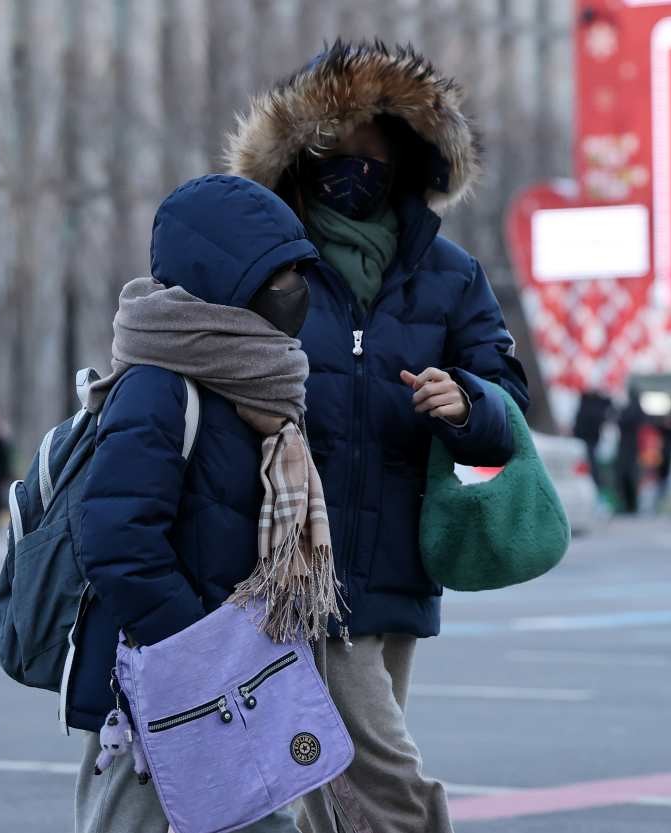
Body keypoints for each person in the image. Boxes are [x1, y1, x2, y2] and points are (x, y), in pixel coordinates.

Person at [226, 40, 529, 832]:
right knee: (379, 774)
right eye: (335, 150)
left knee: (336, 778)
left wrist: (465, 402)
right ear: (302, 158)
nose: (354, 167)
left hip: (399, 565)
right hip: (293, 563)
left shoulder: (450, 274)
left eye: (374, 151)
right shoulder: (267, 266)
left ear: (406, 159)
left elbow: (507, 398)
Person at [73, 175, 333, 833]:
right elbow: (113, 534)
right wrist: (196, 651)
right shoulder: (158, 385)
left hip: (237, 681)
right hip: (160, 685)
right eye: (282, 274)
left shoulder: (261, 388)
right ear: (231, 278)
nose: (296, 291)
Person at [574, 389, 614, 489]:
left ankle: (596, 486)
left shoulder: (586, 403)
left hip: (587, 439)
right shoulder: (593, 405)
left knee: (590, 465)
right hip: (588, 439)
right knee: (590, 465)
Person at [615, 395, 646, 515]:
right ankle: (631, 505)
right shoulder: (638, 412)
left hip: (627, 448)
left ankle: (629, 504)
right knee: (629, 476)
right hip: (633, 448)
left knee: (627, 476)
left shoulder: (628, 411)